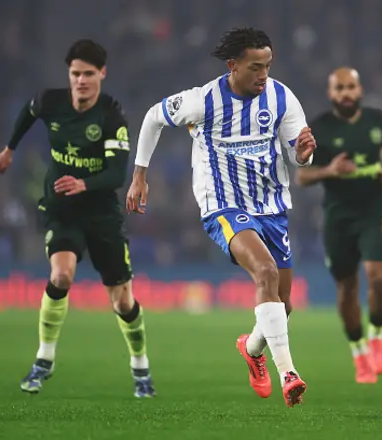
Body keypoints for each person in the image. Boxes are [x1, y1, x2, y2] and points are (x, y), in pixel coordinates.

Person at [126, 28, 316, 407]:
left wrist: (305, 153)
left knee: (283, 303)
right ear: (233, 66)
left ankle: (253, 349)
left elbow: (296, 154)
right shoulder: (203, 101)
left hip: (273, 207)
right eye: (255, 67)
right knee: (265, 272)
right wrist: (140, 174)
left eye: (267, 66)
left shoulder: (282, 98)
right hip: (224, 206)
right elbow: (152, 118)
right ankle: (289, 375)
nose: (263, 75)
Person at [0, 39, 156, 397]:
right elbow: (29, 112)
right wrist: (9, 149)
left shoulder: (112, 116)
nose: (81, 80)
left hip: (101, 212)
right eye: (75, 73)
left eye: (88, 74)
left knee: (122, 301)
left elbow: (116, 174)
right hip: (63, 206)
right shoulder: (50, 101)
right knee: (61, 274)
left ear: (102, 75)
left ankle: (140, 366)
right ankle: (43, 360)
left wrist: (84, 182)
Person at [295, 67, 382, 384]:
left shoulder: (378, 120)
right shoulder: (319, 128)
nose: (346, 93)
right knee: (347, 287)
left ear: (360, 89)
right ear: (330, 93)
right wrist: (330, 171)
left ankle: (377, 335)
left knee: (377, 275)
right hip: (338, 216)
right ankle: (359, 353)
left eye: (350, 87)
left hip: (374, 209)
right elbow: (301, 177)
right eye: (339, 88)